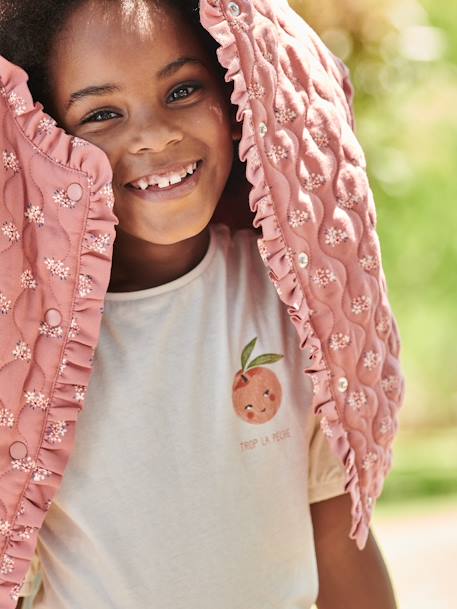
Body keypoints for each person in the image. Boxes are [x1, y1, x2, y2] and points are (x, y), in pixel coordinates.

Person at [0, 1, 405, 608]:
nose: (156, 134)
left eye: (183, 89)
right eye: (101, 113)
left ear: (238, 95)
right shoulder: (26, 353)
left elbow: (339, 537)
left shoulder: (293, 298)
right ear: (42, 140)